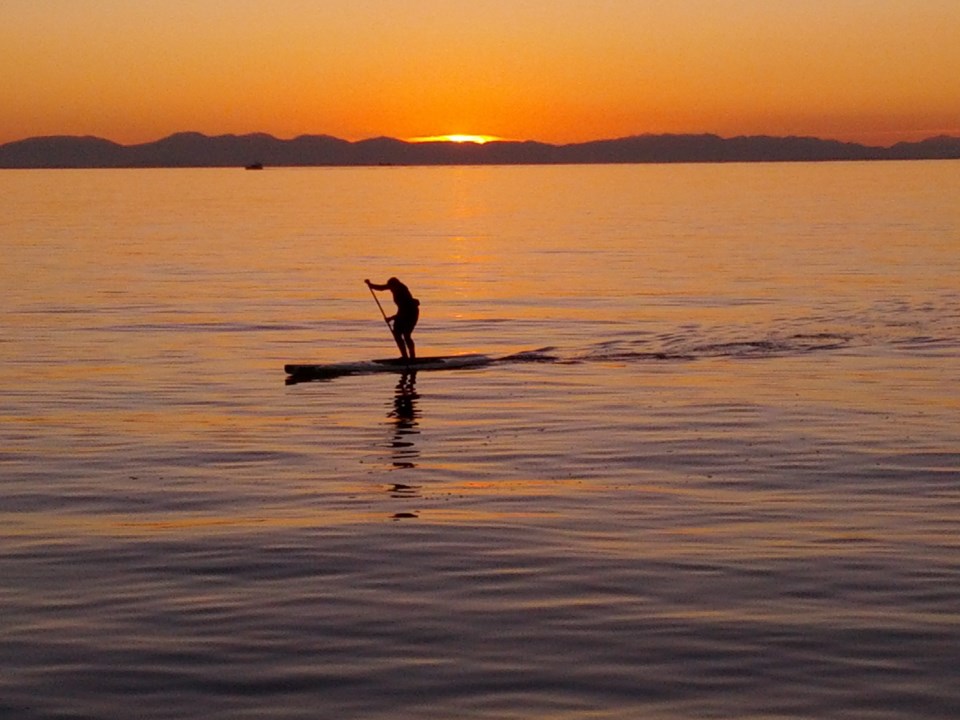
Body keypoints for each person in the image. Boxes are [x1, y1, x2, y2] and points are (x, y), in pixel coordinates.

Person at [365, 277, 420, 360]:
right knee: (397, 334)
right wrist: (370, 284)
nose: (390, 289)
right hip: (401, 313)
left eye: (391, 287)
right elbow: (381, 288)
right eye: (390, 287)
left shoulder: (402, 291)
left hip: (410, 313)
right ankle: (404, 356)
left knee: (406, 335)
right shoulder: (393, 286)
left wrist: (391, 318)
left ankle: (412, 357)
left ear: (396, 285)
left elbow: (404, 311)